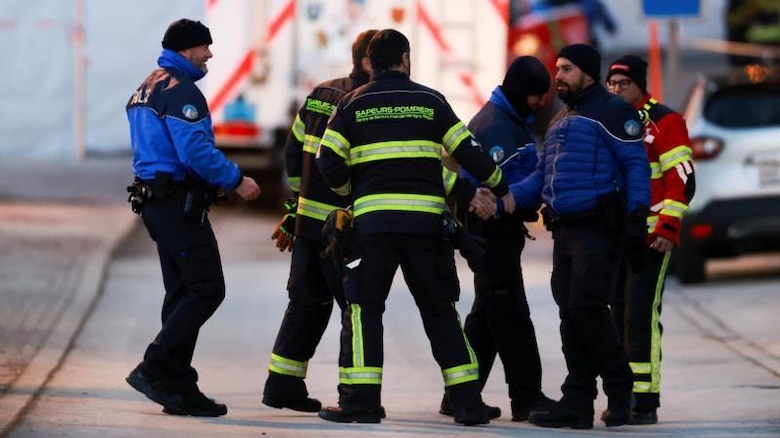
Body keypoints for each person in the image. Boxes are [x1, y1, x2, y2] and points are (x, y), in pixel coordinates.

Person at [315, 29, 512, 426]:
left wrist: (349, 189)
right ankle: (466, 402)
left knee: (364, 310)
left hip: (372, 226)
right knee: (440, 310)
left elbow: (327, 160)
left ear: (370, 62)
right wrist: (498, 185)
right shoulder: (430, 100)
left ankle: (360, 401)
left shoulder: (352, 104)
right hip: (425, 226)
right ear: (405, 58)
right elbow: (467, 150)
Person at [503, 43, 651, 429]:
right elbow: (541, 175)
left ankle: (620, 392)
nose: (559, 76)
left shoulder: (613, 112)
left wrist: (637, 215)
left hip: (598, 231)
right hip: (564, 233)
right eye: (558, 69)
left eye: (566, 69)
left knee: (587, 311)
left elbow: (636, 165)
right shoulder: (560, 119)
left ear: (587, 72)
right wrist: (505, 198)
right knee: (571, 317)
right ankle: (579, 403)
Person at [124, 18, 261, 417]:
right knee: (206, 289)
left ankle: (177, 387)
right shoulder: (181, 91)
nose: (210, 54)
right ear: (187, 50)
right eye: (205, 47)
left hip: (155, 202)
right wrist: (236, 180)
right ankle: (154, 368)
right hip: (175, 204)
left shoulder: (145, 87)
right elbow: (194, 153)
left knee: (183, 292)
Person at [261, 29, 378, 414]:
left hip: (309, 221)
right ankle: (352, 397)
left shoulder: (320, 94)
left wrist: (298, 202)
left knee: (306, 302)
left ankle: (283, 384)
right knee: (354, 307)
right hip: (341, 226)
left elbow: (293, 152)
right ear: (367, 62)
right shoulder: (365, 103)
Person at [437, 55, 555, 422]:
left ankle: (460, 394)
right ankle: (527, 397)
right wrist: (509, 204)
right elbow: (486, 189)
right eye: (537, 96)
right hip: (490, 231)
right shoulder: (494, 127)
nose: (541, 103)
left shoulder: (513, 120)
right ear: (523, 92)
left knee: (487, 316)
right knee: (512, 314)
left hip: (502, 230)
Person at [605, 54, 696, 425]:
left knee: (640, 314)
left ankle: (646, 401)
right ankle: (622, 395)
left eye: (623, 84)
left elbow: (683, 179)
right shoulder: (610, 121)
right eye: (611, 84)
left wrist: (669, 229)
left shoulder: (665, 121)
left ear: (641, 86)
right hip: (618, 236)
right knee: (617, 314)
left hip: (653, 237)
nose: (615, 90)